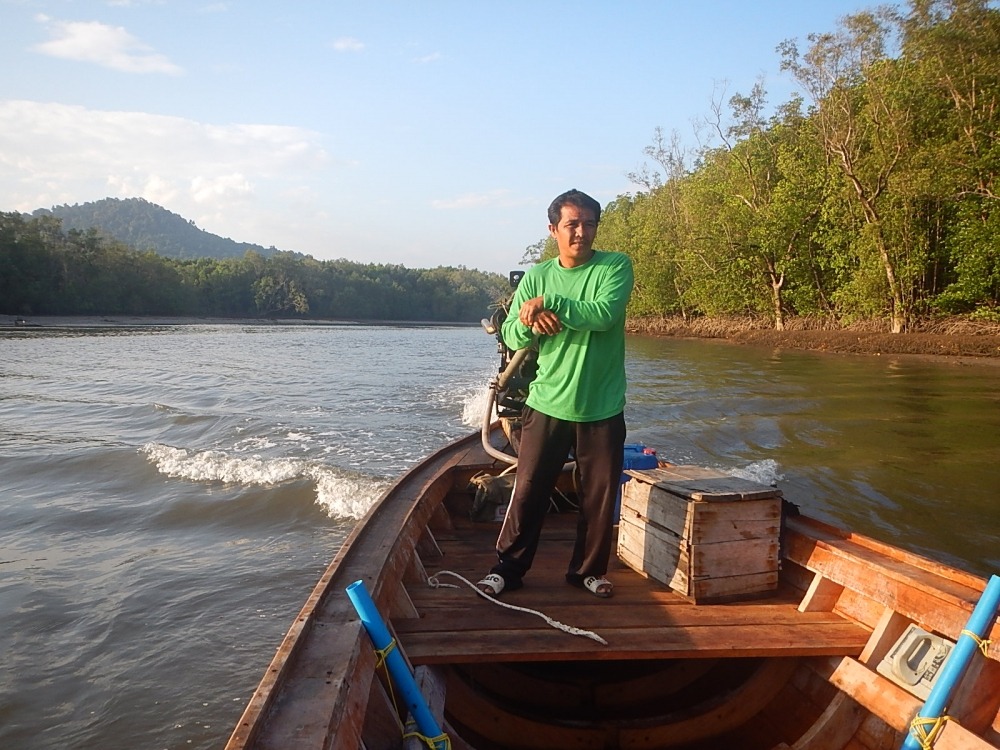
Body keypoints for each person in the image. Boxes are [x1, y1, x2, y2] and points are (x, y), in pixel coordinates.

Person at [477, 189, 634, 599]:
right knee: (528, 490)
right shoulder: (536, 275)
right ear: (553, 230)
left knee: (598, 498)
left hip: (601, 406)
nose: (581, 232)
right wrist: (531, 318)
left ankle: (587, 572)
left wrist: (551, 303)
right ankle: (507, 568)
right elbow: (512, 332)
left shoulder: (614, 266)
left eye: (589, 224)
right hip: (547, 402)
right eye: (572, 224)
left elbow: (603, 314)